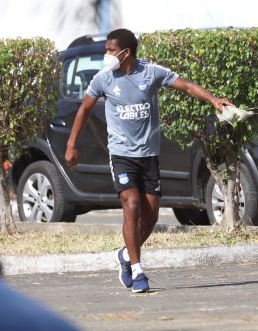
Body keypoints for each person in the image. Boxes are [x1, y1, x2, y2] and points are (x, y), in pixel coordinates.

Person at [65, 29, 233, 294]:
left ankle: (125, 255)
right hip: (121, 155)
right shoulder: (104, 79)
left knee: (151, 215)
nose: (106, 55)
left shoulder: (151, 73)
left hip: (148, 155)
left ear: (126, 52)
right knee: (131, 205)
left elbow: (187, 85)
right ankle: (137, 269)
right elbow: (84, 109)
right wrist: (71, 144)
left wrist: (213, 99)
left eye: (110, 50)